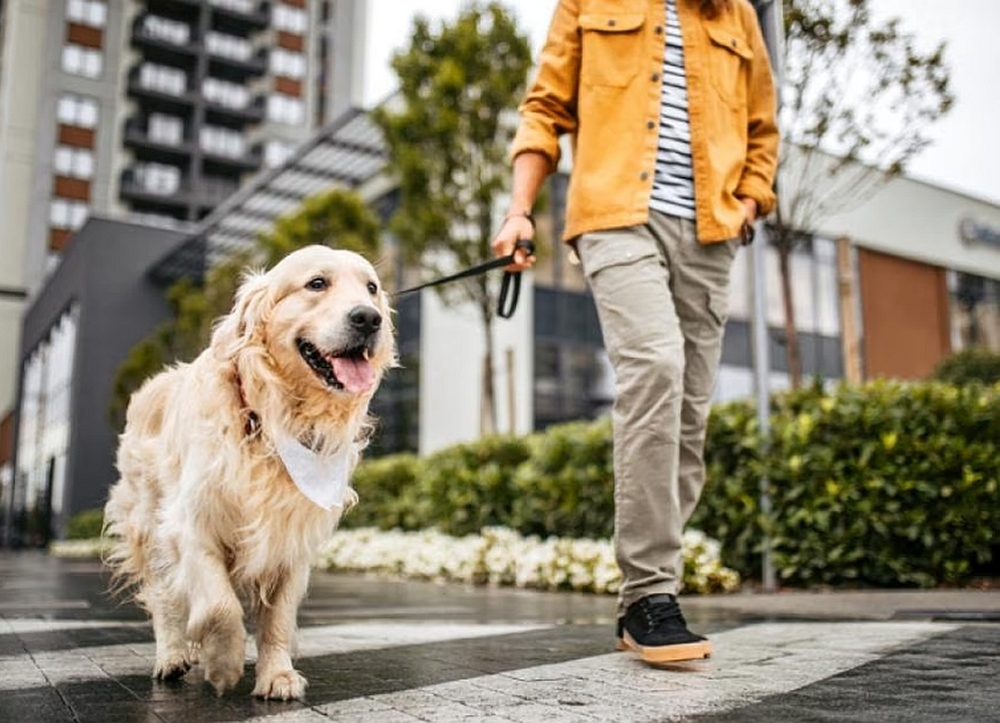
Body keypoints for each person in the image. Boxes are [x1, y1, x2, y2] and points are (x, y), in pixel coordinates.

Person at [493, 0, 779, 665]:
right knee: (655, 367)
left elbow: (764, 129)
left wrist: (745, 203)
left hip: (709, 234)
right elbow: (545, 109)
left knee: (687, 416)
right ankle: (651, 592)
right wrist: (519, 211)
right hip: (615, 215)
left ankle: (644, 597)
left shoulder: (735, 14)